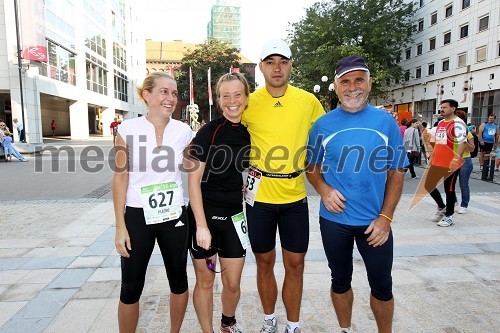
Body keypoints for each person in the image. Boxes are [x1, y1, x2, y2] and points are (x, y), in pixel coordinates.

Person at [306, 55, 407, 333]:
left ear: (370, 83)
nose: (353, 87)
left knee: (382, 286)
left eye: (359, 79)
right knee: (340, 281)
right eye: (345, 81)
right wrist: (324, 189)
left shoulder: (385, 122)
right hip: (334, 221)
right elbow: (311, 168)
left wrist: (386, 217)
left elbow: (397, 171)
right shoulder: (322, 125)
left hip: (375, 222)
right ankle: (345, 329)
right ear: (336, 87)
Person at [242, 39, 325, 333]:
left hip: (294, 196)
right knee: (264, 262)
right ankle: (269, 321)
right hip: (259, 197)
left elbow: (327, 138)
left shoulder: (308, 101)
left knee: (296, 265)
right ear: (261, 67)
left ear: (291, 65)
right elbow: (227, 135)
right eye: (270, 62)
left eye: (283, 62)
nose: (277, 68)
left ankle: (293, 325)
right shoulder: (249, 102)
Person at [112, 72, 192, 333]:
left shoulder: (184, 131)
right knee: (131, 285)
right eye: (164, 91)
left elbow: (197, 170)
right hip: (138, 215)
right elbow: (120, 178)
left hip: (174, 215)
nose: (171, 98)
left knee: (179, 281)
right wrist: (120, 227)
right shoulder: (127, 130)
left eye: (174, 93)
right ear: (146, 95)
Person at [185, 72, 251, 333]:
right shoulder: (208, 132)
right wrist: (201, 226)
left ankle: (228, 323)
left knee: (232, 283)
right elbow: (193, 182)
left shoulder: (250, 130)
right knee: (206, 281)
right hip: (206, 218)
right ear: (219, 99)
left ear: (246, 98)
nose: (232, 101)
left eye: (237, 95)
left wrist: (245, 183)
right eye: (226, 96)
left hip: (235, 217)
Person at [426, 99, 466, 227]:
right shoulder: (442, 123)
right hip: (438, 161)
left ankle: (449, 216)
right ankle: (442, 207)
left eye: (444, 107)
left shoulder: (458, 123)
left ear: (453, 108)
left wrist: (456, 159)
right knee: (428, 185)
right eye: (441, 107)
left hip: (451, 163)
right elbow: (435, 139)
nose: (441, 109)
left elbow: (462, 142)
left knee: (449, 190)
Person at [455, 110, 475, 214]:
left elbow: (472, 148)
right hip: (452, 160)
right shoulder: (450, 132)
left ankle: (464, 205)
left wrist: (464, 141)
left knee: (463, 184)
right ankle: (453, 201)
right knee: (449, 184)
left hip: (465, 160)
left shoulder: (468, 133)